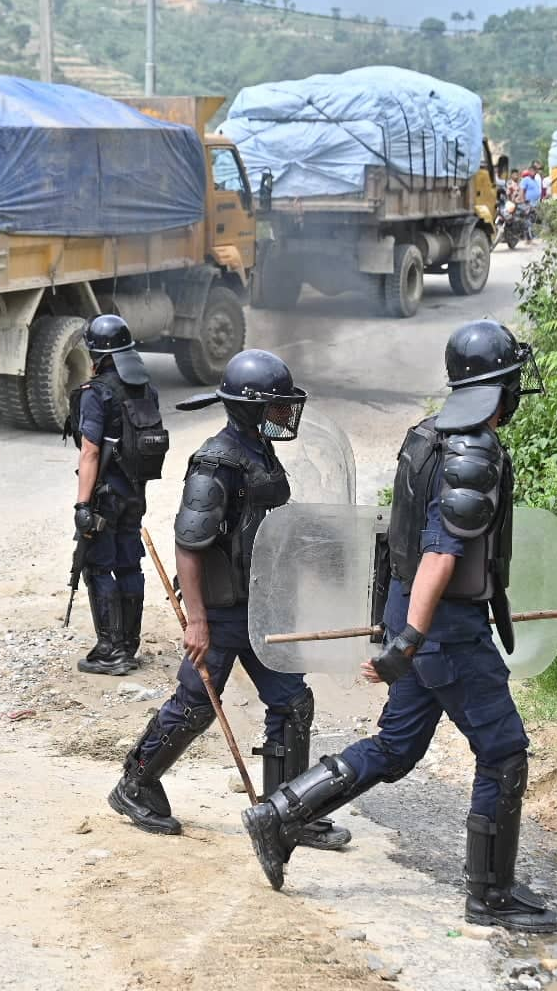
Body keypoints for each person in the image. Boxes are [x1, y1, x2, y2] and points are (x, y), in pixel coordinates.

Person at [241, 320, 557, 934]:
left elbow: (398, 542)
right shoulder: (474, 451)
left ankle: (279, 814)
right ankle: (490, 895)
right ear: (502, 388)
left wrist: (395, 630)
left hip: (420, 622)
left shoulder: (426, 437)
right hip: (446, 633)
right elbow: (440, 554)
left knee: (396, 749)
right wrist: (409, 641)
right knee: (503, 751)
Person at [107, 350, 349, 853]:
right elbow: (189, 545)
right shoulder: (216, 462)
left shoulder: (259, 449)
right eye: (278, 405)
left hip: (259, 605)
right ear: (251, 407)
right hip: (220, 612)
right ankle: (135, 784)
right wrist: (197, 621)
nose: (286, 414)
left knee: (292, 703)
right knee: (195, 705)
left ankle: (290, 811)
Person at [64, 314, 167, 675]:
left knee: (97, 567)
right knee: (128, 564)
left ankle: (111, 650)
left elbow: (90, 451)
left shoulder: (97, 393)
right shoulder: (145, 389)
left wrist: (81, 504)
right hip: (135, 494)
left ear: (97, 352)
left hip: (105, 497)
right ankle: (129, 645)